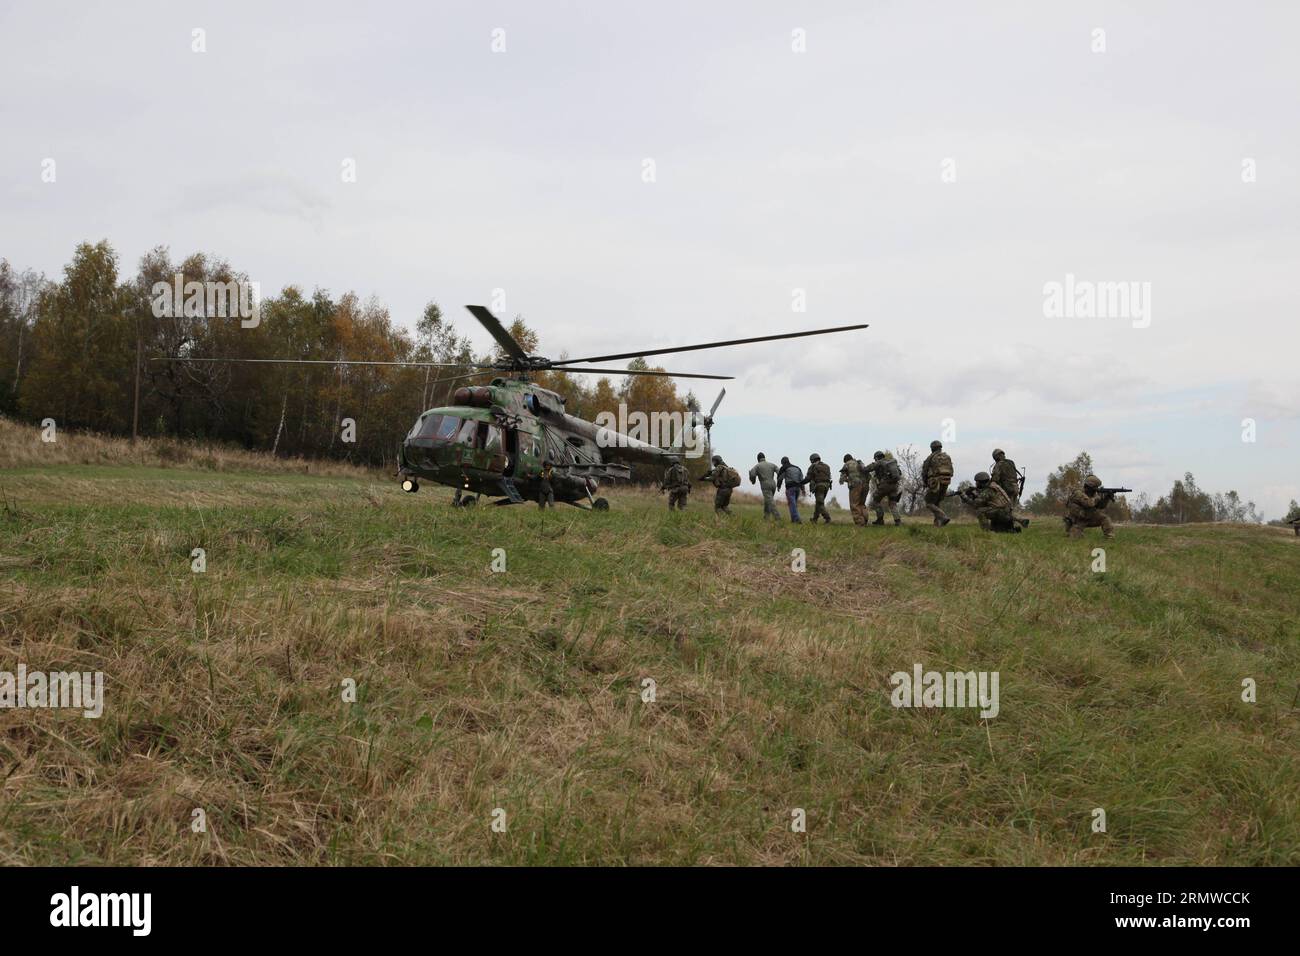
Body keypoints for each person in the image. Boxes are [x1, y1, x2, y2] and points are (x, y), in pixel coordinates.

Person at [1065, 474, 1116, 539]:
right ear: (1090, 486)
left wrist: (1107, 497)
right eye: (1095, 487)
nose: (1096, 489)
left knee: (1105, 518)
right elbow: (1089, 503)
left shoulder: (1093, 494)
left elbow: (1101, 506)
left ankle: (1110, 538)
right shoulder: (1078, 493)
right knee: (1075, 538)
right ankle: (1072, 532)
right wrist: (1098, 497)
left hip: (1089, 517)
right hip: (1077, 520)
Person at [864, 450, 904, 526]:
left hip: (885, 486)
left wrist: (862, 468)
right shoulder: (892, 462)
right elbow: (900, 473)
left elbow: (868, 469)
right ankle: (898, 521)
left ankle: (880, 520)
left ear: (876, 458)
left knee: (875, 500)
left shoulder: (879, 462)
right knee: (893, 503)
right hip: (894, 485)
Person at [921, 440, 954, 526]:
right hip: (946, 481)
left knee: (928, 502)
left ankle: (943, 517)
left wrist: (925, 482)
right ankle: (938, 524)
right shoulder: (947, 457)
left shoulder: (931, 457)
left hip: (935, 481)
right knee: (937, 502)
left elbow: (924, 471)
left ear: (932, 448)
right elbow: (952, 471)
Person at [749, 452, 780, 520]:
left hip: (765, 485)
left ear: (758, 459)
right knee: (768, 501)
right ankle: (766, 517)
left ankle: (777, 517)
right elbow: (779, 471)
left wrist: (753, 480)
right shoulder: (772, 464)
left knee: (770, 502)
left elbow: (752, 474)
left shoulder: (757, 466)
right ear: (764, 458)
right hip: (773, 484)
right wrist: (779, 480)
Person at [839, 454, 868, 526]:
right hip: (865, 485)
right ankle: (865, 520)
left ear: (845, 460)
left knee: (854, 504)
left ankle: (860, 523)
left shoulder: (847, 464)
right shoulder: (859, 463)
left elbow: (842, 479)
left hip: (855, 486)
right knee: (862, 504)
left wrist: (848, 480)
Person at [805, 453, 833, 523]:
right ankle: (815, 519)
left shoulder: (813, 466)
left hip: (819, 486)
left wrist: (800, 483)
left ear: (812, 460)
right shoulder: (827, 466)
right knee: (818, 503)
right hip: (827, 486)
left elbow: (808, 478)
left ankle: (827, 518)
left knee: (820, 503)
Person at [776, 456, 804, 523]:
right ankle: (793, 519)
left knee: (792, 504)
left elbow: (780, 478)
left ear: (782, 462)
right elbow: (801, 479)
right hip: (798, 488)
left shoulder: (784, 467)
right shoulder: (797, 468)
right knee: (793, 504)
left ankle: (797, 519)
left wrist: (778, 486)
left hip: (790, 488)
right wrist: (803, 489)